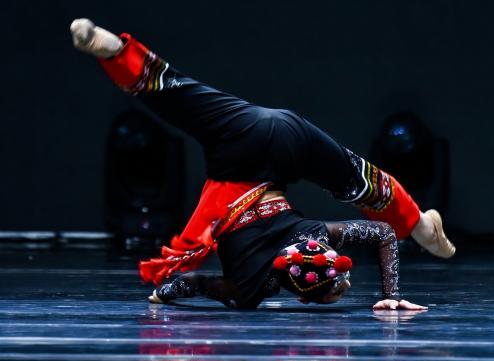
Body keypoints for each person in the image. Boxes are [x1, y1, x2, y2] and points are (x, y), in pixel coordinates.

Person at [71, 19, 455, 311]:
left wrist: (392, 295)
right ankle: (422, 226)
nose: (347, 281)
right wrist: (163, 292)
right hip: (254, 151)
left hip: (274, 138)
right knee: (180, 96)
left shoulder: (307, 241)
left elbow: (382, 233)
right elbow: (192, 285)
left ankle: (421, 227)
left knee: (361, 181)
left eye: (338, 283)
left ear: (305, 294)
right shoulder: (253, 285)